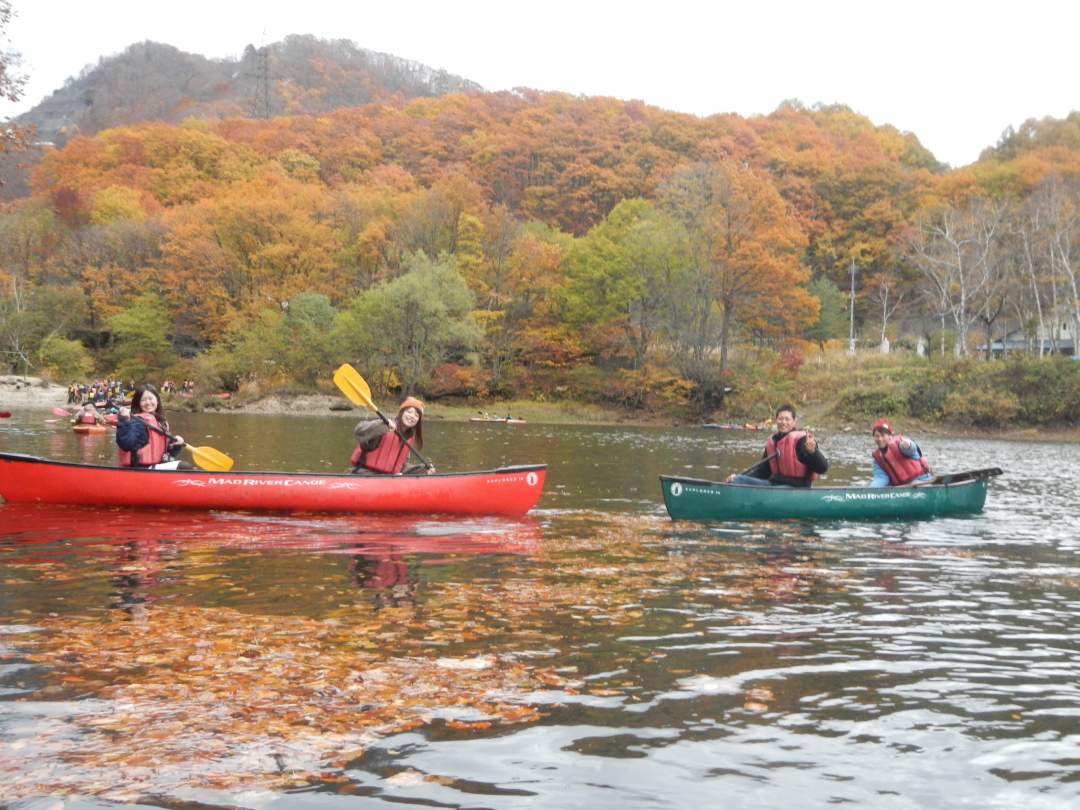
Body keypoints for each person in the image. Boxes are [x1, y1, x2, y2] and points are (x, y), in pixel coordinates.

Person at [726, 404, 828, 487]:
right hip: (775, 485)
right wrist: (738, 478)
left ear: (794, 422)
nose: (783, 422)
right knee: (738, 480)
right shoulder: (773, 442)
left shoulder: (802, 441)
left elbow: (822, 468)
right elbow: (762, 472)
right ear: (776, 420)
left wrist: (813, 452)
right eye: (780, 419)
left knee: (740, 480)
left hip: (797, 488)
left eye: (787, 419)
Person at [349, 396, 434, 475]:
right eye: (409, 412)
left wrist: (422, 469)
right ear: (401, 412)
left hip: (387, 479)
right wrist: (382, 425)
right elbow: (358, 431)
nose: (412, 416)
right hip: (364, 474)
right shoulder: (383, 426)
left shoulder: (409, 438)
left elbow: (401, 466)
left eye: (416, 415)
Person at [115, 384, 192, 470]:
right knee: (184, 467)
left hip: (154, 468)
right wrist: (124, 421)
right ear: (138, 403)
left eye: (151, 398)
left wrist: (176, 445)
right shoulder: (137, 423)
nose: (148, 403)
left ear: (157, 400)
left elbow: (168, 454)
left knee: (184, 467)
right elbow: (125, 444)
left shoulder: (161, 422)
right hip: (139, 470)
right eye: (143, 400)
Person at [869, 418, 932, 486]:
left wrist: (907, 445)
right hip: (903, 488)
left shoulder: (900, 445)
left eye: (883, 435)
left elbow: (912, 449)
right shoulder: (878, 459)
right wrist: (869, 491)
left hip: (922, 481)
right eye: (877, 436)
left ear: (890, 436)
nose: (880, 439)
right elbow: (880, 478)